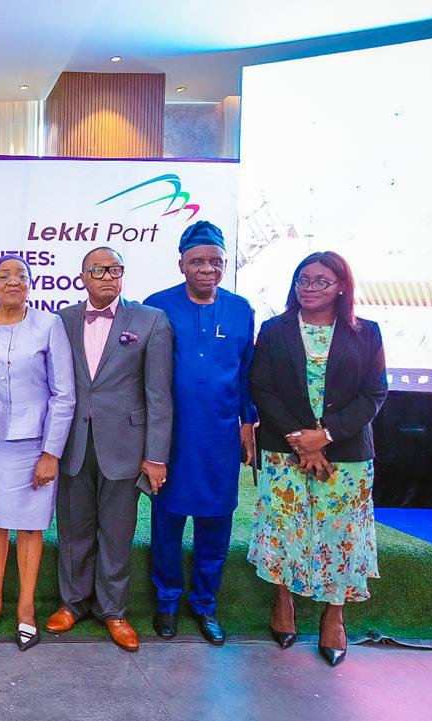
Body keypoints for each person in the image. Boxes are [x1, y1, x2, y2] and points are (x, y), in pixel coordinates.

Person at [248, 251, 386, 666]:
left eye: (321, 281)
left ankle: (334, 616)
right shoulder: (274, 330)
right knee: (284, 527)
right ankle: (283, 602)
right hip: (285, 449)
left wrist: (324, 437)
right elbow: (261, 387)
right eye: (303, 280)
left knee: (340, 533)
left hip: (346, 454)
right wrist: (301, 441)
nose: (309, 288)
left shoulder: (366, 332)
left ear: (342, 286)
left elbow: (374, 394)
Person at [45, 246, 173, 652]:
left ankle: (114, 611)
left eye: (115, 269)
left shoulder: (150, 320)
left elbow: (159, 395)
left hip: (125, 446)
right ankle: (72, 603)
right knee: (73, 530)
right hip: (73, 443)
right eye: (99, 270)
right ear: (82, 276)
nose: (108, 277)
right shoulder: (63, 320)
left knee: (117, 534)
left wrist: (155, 456)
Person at [143, 221, 257, 646]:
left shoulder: (241, 309)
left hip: (220, 438)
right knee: (167, 523)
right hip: (172, 438)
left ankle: (205, 604)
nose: (207, 269)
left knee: (216, 524)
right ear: (181, 265)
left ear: (225, 264)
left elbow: (246, 373)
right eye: (197, 261)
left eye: (215, 261)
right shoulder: (157, 306)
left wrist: (247, 422)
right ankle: (167, 602)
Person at [0, 253, 75, 651]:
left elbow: (63, 394)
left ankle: (26, 608)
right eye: (4, 275)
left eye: (21, 276)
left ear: (30, 284)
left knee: (30, 525)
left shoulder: (49, 324)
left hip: (36, 443)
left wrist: (51, 453)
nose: (13, 281)